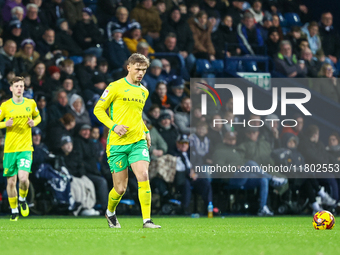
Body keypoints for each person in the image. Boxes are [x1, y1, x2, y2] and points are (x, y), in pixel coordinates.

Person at [94, 53, 161, 228]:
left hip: (137, 141)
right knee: (120, 188)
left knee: (144, 175)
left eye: (144, 70)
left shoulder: (144, 91)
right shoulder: (115, 87)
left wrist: (145, 131)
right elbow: (98, 110)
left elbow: (137, 116)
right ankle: (110, 212)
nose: (141, 73)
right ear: (129, 67)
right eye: (138, 69)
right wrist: (114, 126)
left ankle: (147, 220)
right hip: (117, 143)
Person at [0, 76, 41, 221]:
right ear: (11, 88)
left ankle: (22, 199)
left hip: (25, 148)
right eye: (16, 86)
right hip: (10, 150)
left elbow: (38, 117)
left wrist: (33, 122)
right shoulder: (5, 106)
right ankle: (14, 210)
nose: (19, 88)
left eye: (21, 86)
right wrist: (5, 124)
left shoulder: (30, 103)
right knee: (11, 182)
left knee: (23, 179)